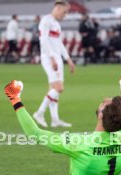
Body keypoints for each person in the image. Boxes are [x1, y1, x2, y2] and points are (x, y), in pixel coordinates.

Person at [33, 0, 75, 128]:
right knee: (59, 88)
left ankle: (55, 120)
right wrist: (51, 58)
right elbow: (43, 40)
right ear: (57, 8)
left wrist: (68, 58)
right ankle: (39, 113)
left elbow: (59, 43)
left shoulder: (56, 24)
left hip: (57, 58)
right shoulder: (46, 21)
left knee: (53, 90)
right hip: (49, 58)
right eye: (64, 11)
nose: (65, 15)